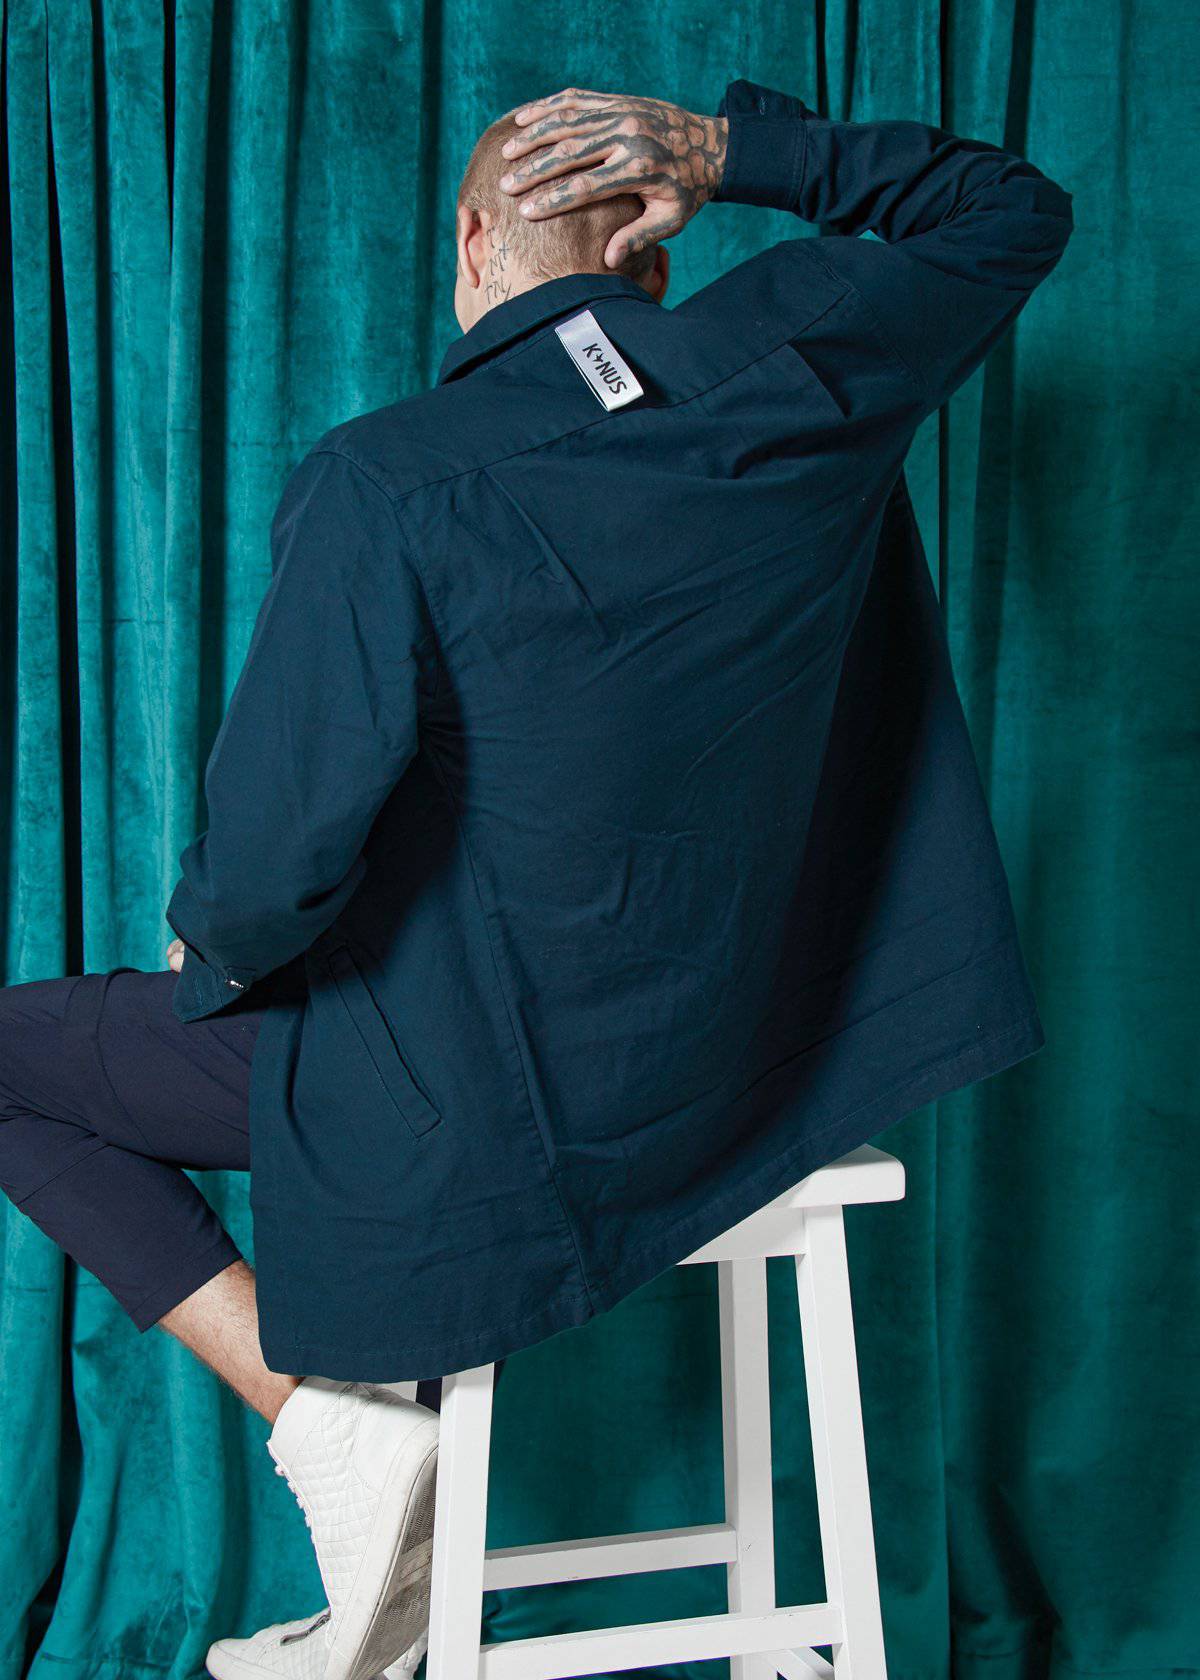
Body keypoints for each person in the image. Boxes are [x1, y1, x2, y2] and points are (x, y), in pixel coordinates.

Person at [0, 78, 1073, 1680]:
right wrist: (742, 155)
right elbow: (1012, 209)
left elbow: (273, 871)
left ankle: (331, 1426)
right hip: (755, 1074)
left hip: (494, 1128)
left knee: (16, 1057)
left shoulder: (385, 481)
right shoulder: (797, 364)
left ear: (469, 245)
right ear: (653, 245)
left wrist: (210, 954)